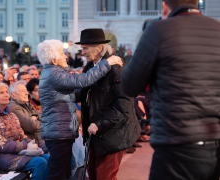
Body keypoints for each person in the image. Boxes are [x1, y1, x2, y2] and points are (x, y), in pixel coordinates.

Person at [121, 0, 220, 179]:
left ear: (165, 6)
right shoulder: (217, 28)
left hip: (176, 142)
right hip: (214, 141)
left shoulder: (158, 30)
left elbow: (129, 85)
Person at [37, 39, 121, 180]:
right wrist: (106, 63)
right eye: (62, 54)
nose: (65, 56)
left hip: (59, 132)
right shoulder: (54, 74)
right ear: (54, 60)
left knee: (63, 173)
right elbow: (82, 80)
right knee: (58, 174)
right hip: (58, 133)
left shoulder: (52, 73)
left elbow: (73, 94)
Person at [76, 29, 141, 180]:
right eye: (82, 48)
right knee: (93, 174)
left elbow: (123, 104)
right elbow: (83, 92)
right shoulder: (90, 66)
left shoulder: (116, 67)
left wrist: (100, 124)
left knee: (104, 177)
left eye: (85, 48)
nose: (82, 52)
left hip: (112, 133)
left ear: (98, 48)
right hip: (96, 133)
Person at [0, 83, 49, 180]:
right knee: (40, 163)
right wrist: (25, 146)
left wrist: (31, 144)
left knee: (48, 158)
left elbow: (21, 135)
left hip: (16, 152)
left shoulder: (11, 114)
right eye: (1, 93)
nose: (6, 95)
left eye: (7, 92)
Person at [8, 81, 47, 153]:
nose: (27, 93)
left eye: (26, 91)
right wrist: (45, 122)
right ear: (13, 96)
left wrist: (36, 117)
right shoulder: (13, 106)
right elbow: (32, 126)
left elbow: (45, 114)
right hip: (35, 142)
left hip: (43, 136)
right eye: (22, 91)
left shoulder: (26, 103)